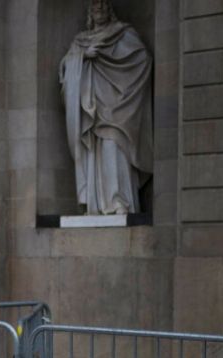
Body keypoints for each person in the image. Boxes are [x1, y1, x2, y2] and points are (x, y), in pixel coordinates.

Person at [59, 0, 152, 215]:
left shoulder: (123, 33)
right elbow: (64, 69)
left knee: (114, 150)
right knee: (94, 154)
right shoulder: (80, 41)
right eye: (95, 8)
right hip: (90, 109)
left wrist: (118, 75)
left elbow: (143, 59)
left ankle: (120, 202)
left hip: (117, 108)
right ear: (90, 13)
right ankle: (96, 205)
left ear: (110, 11)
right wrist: (82, 57)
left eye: (102, 7)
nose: (99, 11)